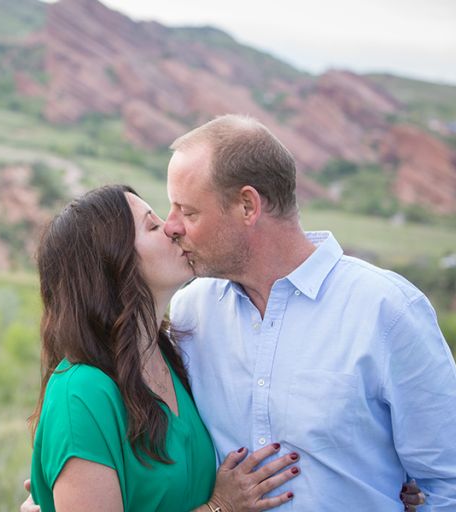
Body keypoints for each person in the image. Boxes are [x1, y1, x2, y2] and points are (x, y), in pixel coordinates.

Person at [161, 114, 456, 510]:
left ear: (247, 205)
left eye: (188, 213)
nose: (171, 226)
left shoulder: (386, 309)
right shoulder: (192, 310)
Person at [28, 185, 301, 512]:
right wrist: (220, 507)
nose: (172, 229)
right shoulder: (81, 394)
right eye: (152, 226)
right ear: (113, 262)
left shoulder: (170, 358)